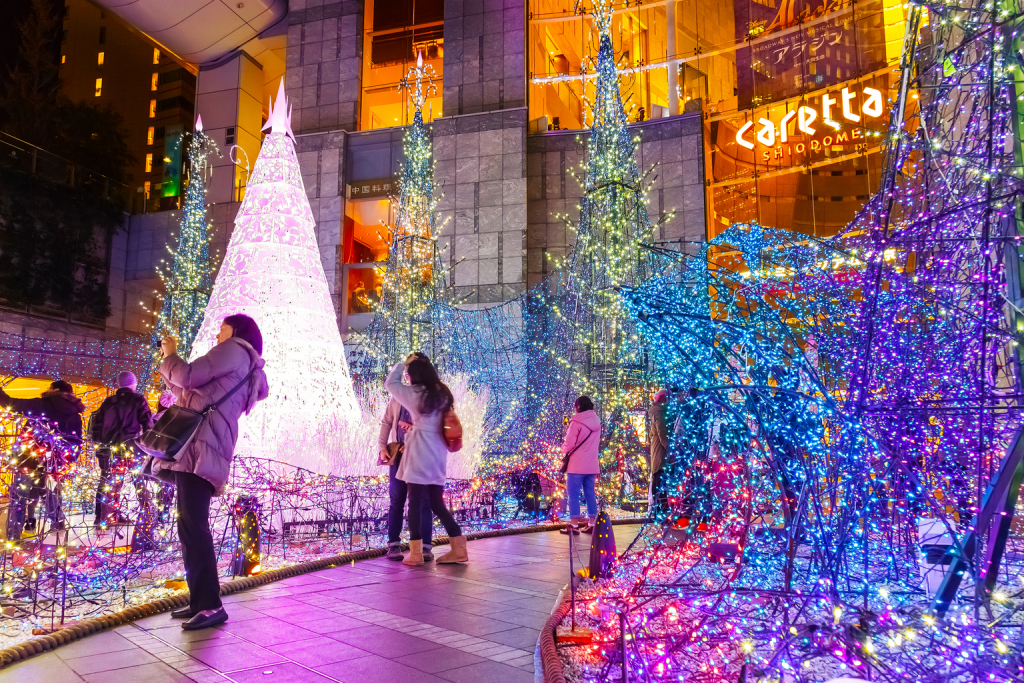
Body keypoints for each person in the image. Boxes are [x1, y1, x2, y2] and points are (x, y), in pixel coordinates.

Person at [153, 314, 269, 630]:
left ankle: (210, 605)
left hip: (200, 445)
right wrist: (169, 363)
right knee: (189, 526)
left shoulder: (234, 349)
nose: (217, 335)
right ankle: (200, 600)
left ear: (237, 331)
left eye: (222, 329)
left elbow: (188, 376)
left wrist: (171, 354)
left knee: (194, 525)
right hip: (204, 444)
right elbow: (188, 390)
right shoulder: (241, 359)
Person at [384, 356, 468, 566]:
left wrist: (401, 363)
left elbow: (390, 384)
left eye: (409, 374)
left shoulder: (415, 393)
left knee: (414, 502)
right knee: (436, 503)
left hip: (419, 451)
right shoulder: (441, 392)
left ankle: (416, 554)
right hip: (438, 452)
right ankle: (459, 548)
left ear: (413, 375)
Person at [0, 380, 85, 534]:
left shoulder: (40, 404)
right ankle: (57, 524)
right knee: (51, 492)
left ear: (52, 389)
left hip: (28, 456)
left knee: (20, 495)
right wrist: (69, 461)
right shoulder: (74, 413)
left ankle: (14, 533)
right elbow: (76, 441)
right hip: (54, 460)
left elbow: (11, 403)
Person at [378, 352, 434, 561]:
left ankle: (424, 546)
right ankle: (393, 544)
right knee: (397, 498)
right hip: (399, 454)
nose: (409, 376)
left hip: (421, 455)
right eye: (408, 371)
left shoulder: (431, 396)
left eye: (412, 370)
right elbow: (386, 421)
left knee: (423, 502)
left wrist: (414, 431)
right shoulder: (399, 396)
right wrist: (382, 446)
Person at [90, 371, 154, 527]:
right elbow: (147, 423)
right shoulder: (138, 399)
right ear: (133, 384)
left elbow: (97, 425)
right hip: (131, 447)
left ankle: (104, 519)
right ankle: (148, 515)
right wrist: (149, 444)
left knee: (111, 483)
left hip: (110, 448)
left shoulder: (109, 401)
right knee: (138, 481)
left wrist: (100, 446)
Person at [560, 396, 601, 534]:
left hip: (576, 465)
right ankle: (592, 523)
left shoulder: (576, 422)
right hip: (592, 464)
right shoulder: (596, 421)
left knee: (573, 495)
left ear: (578, 407)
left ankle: (574, 525)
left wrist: (563, 449)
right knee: (590, 494)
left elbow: (569, 444)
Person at [648, 389, 669, 517]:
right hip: (662, 454)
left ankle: (658, 513)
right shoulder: (660, 413)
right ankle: (662, 513)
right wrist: (671, 451)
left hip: (657, 453)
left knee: (658, 481)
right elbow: (663, 435)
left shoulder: (656, 412)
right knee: (661, 482)